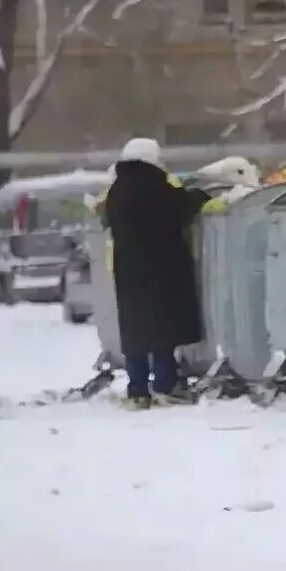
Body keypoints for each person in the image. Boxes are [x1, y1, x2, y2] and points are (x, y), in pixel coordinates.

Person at [103, 138, 211, 410]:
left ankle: (137, 389)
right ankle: (165, 385)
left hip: (128, 270)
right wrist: (200, 195)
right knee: (163, 331)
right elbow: (182, 206)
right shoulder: (154, 186)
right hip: (161, 268)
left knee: (136, 331)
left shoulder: (117, 190)